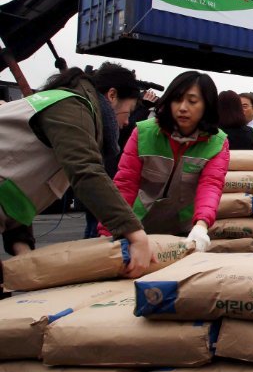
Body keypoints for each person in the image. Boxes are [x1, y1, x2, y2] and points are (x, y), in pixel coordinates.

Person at [0, 62, 154, 279]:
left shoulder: (66, 106)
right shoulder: (72, 106)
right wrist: (136, 235)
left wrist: (21, 247)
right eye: (128, 111)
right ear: (112, 95)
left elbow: (15, 192)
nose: (127, 121)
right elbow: (85, 172)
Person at [101, 71, 229, 253]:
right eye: (177, 100)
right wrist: (108, 231)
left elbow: (211, 185)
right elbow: (125, 184)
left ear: (207, 105)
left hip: (184, 230)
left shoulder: (216, 143)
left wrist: (201, 225)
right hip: (137, 226)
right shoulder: (144, 133)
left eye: (192, 101)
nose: (183, 108)